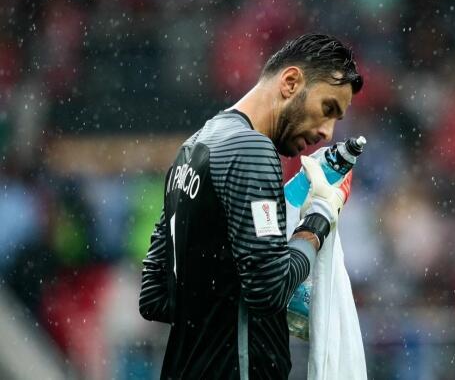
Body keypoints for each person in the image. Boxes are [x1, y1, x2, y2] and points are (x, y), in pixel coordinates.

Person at [138, 33, 363, 379]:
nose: (328, 133)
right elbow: (269, 290)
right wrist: (319, 217)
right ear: (291, 82)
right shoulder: (252, 150)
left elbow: (155, 297)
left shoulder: (192, 149)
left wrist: (241, 283)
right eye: (328, 109)